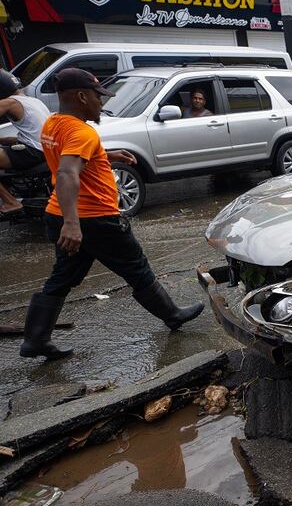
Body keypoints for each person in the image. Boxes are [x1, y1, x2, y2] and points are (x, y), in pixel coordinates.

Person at [20, 68, 203, 360]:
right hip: (94, 219)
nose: (100, 103)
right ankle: (172, 314)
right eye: (97, 96)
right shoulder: (82, 131)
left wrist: (107, 155)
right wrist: (72, 223)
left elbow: (71, 156)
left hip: (60, 213)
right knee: (136, 268)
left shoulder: (54, 124)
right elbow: (67, 172)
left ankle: (35, 339)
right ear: (81, 96)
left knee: (62, 277)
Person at [0, 70, 50, 215]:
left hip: (32, 152)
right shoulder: (33, 100)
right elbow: (32, 134)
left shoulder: (10, 102)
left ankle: (11, 202)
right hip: (44, 148)